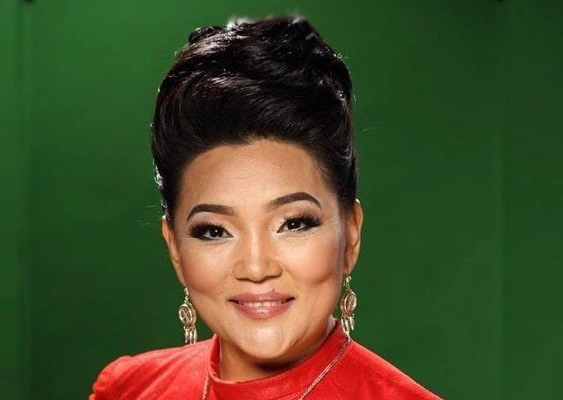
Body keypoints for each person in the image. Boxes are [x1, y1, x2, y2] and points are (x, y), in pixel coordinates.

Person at [89, 14, 442, 400]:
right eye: (214, 231)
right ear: (175, 247)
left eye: (293, 223)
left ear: (351, 234)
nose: (256, 268)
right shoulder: (128, 389)